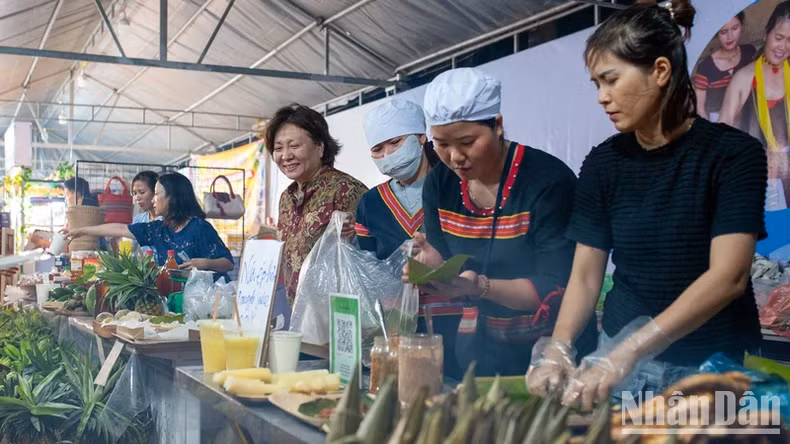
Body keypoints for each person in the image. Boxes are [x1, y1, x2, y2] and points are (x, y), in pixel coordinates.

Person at [527, 0, 767, 410]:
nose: (602, 97)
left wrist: (629, 350)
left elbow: (729, 275)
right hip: (624, 370)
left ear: (659, 71)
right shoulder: (604, 163)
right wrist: (559, 347)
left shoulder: (733, 155)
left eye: (611, 80)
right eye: (596, 85)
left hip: (708, 369)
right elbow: (586, 276)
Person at [407, 67, 597, 377]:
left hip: (553, 350)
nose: (454, 157)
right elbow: (450, 262)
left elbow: (557, 285)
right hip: (484, 349)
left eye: (467, 142)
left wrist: (481, 286)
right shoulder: (440, 182)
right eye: (440, 144)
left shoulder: (546, 182)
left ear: (497, 125)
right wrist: (432, 266)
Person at [346, 99, 463, 379]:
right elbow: (368, 265)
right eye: (378, 149)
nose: (387, 154)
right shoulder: (371, 202)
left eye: (395, 143)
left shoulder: (457, 186)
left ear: (422, 138)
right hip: (397, 324)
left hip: (455, 317)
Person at [264, 104, 368, 306]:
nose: (285, 155)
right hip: (297, 311)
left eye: (294, 146)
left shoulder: (347, 189)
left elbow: (366, 255)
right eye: (278, 148)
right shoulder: (286, 197)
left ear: (320, 147)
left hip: (338, 310)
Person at [64, 172, 234, 281]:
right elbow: (121, 229)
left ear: (172, 198)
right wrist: (81, 230)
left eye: (157, 194)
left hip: (209, 302)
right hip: (178, 299)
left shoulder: (200, 228)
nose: (153, 200)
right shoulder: (158, 229)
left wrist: (205, 263)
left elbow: (228, 263)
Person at [720, 1, 790, 210]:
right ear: (765, 34)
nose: (783, 47)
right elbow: (721, 133)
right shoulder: (743, 79)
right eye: (778, 38)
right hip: (757, 177)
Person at [694, 12, 756, 121]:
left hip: (748, 116)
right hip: (717, 120)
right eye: (723, 32)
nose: (730, 37)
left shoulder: (749, 53)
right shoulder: (705, 67)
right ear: (716, 32)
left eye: (735, 28)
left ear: (742, 26)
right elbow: (700, 109)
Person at [131, 171, 161, 254]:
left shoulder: (166, 220)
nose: (137, 197)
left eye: (142, 192)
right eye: (134, 193)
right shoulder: (138, 220)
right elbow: (134, 248)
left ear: (155, 191)